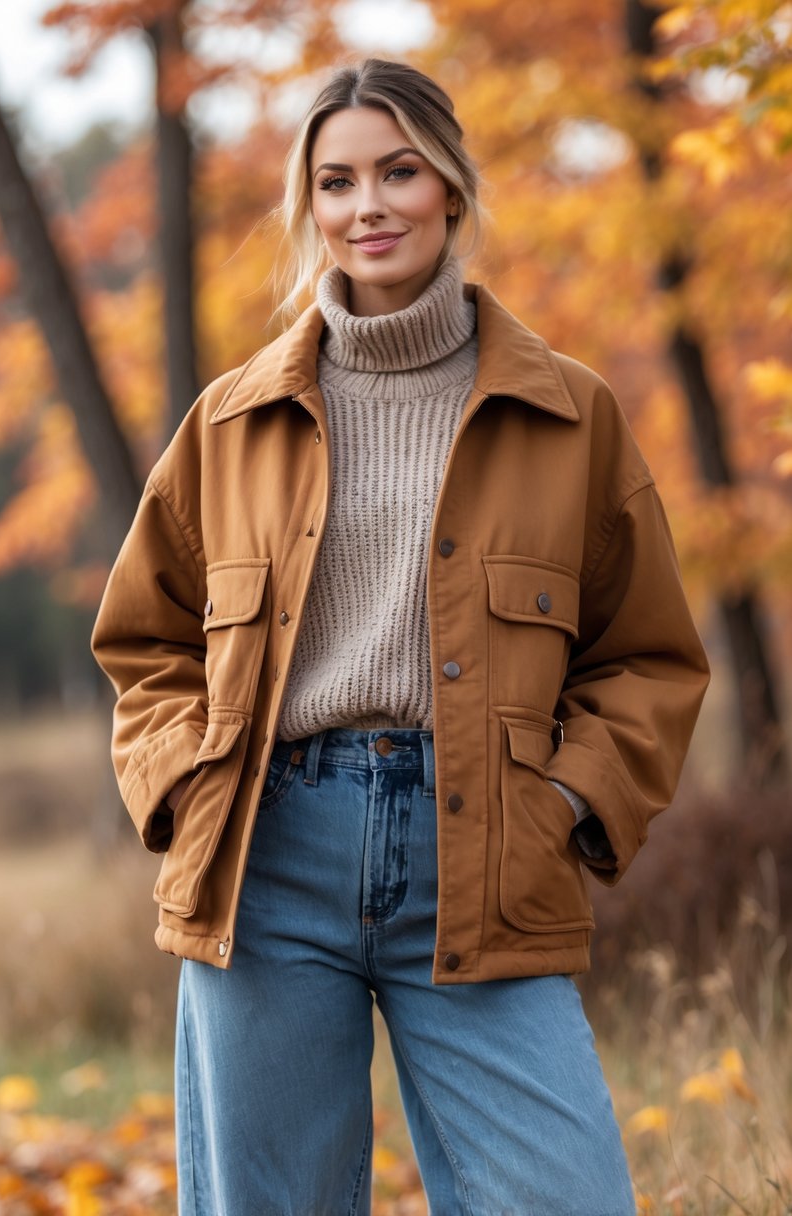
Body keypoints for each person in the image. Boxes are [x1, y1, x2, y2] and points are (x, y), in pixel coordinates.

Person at [92, 57, 709, 1216]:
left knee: (564, 1197)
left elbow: (646, 657)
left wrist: (562, 803)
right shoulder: (230, 423)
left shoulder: (570, 413)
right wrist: (189, 786)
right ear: (309, 207)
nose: (367, 205)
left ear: (452, 188)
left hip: (486, 852)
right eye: (336, 182)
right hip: (267, 858)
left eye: (399, 172)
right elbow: (146, 641)